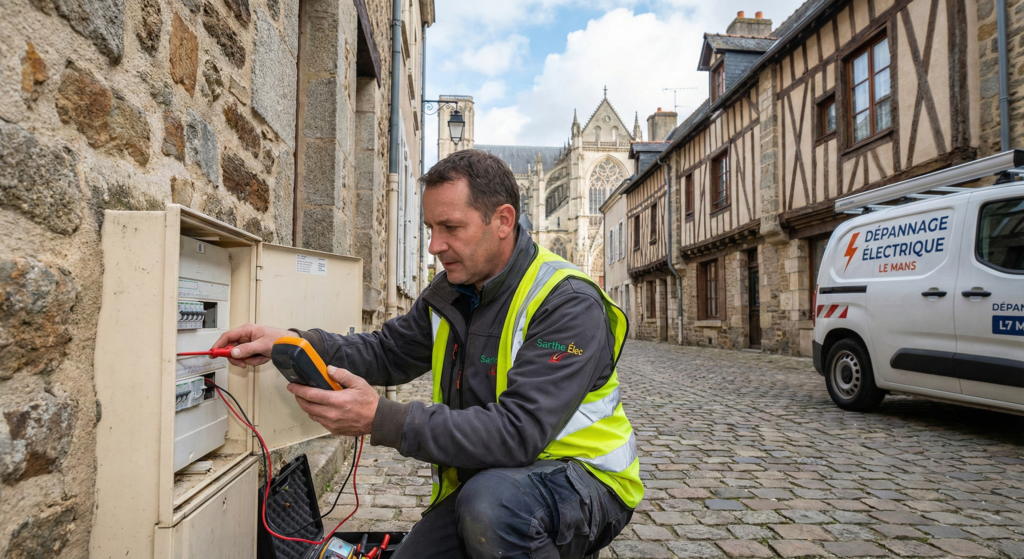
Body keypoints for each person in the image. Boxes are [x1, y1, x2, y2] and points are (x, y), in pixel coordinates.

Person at [214, 149, 642, 558]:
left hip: (583, 482)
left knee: (493, 509)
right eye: (429, 229)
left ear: (503, 221)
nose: (435, 246)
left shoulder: (566, 301)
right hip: (489, 482)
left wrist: (381, 418)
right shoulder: (452, 292)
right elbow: (387, 351)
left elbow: (518, 432)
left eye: (450, 228)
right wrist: (293, 342)